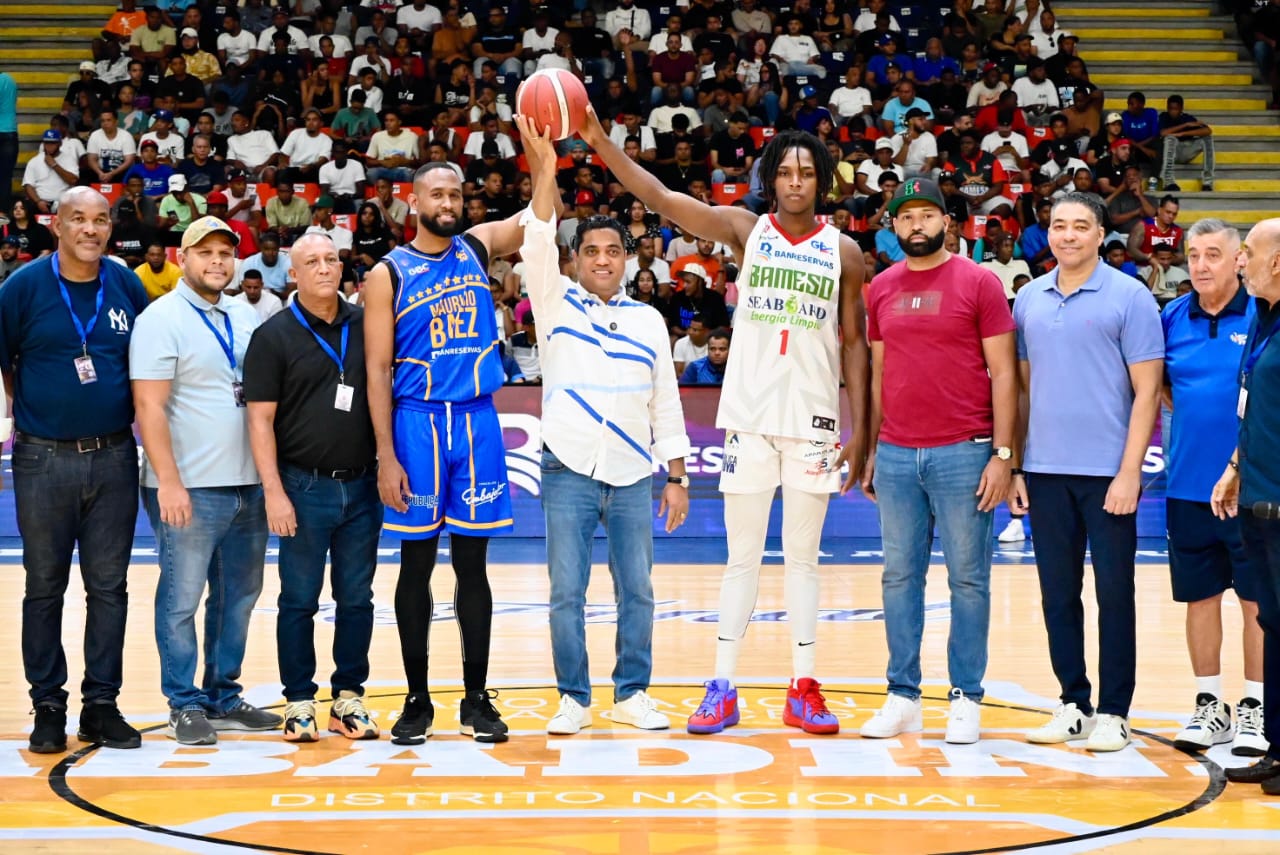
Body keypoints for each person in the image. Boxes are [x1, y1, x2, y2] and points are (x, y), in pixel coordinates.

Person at [576, 105, 870, 736]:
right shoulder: (745, 229)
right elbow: (660, 197)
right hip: (750, 419)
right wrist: (600, 140)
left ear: (822, 180)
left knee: (804, 560)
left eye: (806, 173)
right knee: (742, 558)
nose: (795, 182)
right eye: (785, 172)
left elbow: (856, 347)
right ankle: (723, 685)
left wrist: (863, 431)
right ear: (771, 179)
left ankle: (804, 687)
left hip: (816, 420)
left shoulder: (844, 252)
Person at [515, 117, 690, 736]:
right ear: (577, 260)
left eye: (613, 251)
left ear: (628, 258)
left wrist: (677, 476)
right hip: (567, 466)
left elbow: (665, 401)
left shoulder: (649, 321)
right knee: (567, 591)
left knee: (636, 590)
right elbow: (537, 238)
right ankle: (573, 697)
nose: (602, 260)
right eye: (591, 251)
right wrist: (545, 167)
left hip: (633, 471)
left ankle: (632, 693)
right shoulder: (553, 301)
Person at [363, 161, 532, 746]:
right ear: (414, 203)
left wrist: (541, 155)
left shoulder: (477, 249)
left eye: (456, 194)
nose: (448, 202)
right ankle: (417, 699)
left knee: (473, 568)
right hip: (417, 423)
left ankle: (476, 698)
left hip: (476, 420)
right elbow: (377, 370)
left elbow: (542, 216)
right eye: (437, 194)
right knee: (415, 566)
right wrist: (386, 455)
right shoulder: (388, 273)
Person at [858, 178, 1017, 745]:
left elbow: (1005, 373)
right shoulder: (880, 287)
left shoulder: (979, 282)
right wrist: (872, 447)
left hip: (965, 451)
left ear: (947, 223)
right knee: (899, 577)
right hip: (898, 453)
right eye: (906, 217)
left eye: (927, 215)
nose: (916, 225)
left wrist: (1003, 454)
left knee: (968, 579)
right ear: (894, 226)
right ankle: (903, 696)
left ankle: (965, 696)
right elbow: (879, 373)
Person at [1012, 193, 1164, 753]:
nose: (1068, 235)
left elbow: (1148, 391)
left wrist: (1130, 473)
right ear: (1047, 233)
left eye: (1081, 226)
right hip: (1045, 471)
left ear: (1101, 234)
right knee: (1057, 596)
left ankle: (1115, 712)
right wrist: (1018, 465)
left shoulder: (1130, 296)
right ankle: (1073, 703)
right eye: (1059, 225)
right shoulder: (1029, 298)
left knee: (1114, 594)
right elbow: (1022, 391)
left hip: (1107, 475)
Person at [0, 187, 149, 754]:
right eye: (78, 219)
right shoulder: (22, 288)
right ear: (56, 225)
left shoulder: (126, 284)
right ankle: (47, 705)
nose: (91, 229)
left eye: (101, 220)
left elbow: (145, 363)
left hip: (114, 455)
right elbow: (6, 362)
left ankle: (101, 705)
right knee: (44, 587)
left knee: (109, 588)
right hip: (42, 458)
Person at [130, 216, 282, 745]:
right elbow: (149, 406)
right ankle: (183, 702)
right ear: (183, 258)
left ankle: (222, 695)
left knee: (238, 597)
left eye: (225, 253)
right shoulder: (160, 318)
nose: (218, 262)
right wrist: (168, 482)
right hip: (189, 487)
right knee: (182, 599)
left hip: (248, 483)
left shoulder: (243, 313)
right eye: (206, 252)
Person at [244, 234, 382, 743]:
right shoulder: (273, 335)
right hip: (302, 488)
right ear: (293, 274)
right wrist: (274, 492)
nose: (324, 268)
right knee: (299, 600)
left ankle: (348, 698)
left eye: (331, 259)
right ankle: (299, 700)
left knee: (357, 599)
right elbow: (259, 421)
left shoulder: (368, 324)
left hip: (362, 487)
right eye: (312, 262)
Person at [1162, 218, 1265, 755]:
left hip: (1252, 489)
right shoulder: (1172, 316)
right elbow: (1162, 389)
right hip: (1186, 486)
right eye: (1194, 255)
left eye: (1213, 255)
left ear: (1238, 259)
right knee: (1199, 598)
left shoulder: (1263, 314)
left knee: (1255, 602)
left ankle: (1256, 708)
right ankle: (1210, 706)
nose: (1201, 266)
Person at [1213, 217, 1280, 794]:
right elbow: (1252, 404)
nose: (1241, 261)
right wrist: (1235, 469)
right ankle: (1278, 749)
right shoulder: (1262, 317)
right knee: (1274, 624)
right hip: (1258, 502)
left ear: (1277, 263)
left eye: (1249, 253)